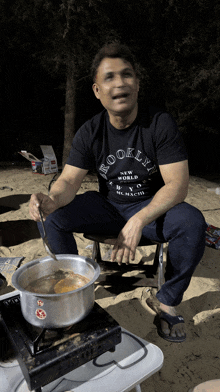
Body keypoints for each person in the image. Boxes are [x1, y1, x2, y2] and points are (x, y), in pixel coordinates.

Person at [29, 42, 207, 343]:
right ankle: (71, 294)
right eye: (109, 77)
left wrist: (138, 220)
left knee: (192, 223)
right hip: (108, 206)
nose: (120, 82)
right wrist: (51, 199)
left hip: (151, 208)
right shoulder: (90, 130)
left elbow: (177, 185)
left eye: (126, 75)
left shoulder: (159, 123)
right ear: (98, 91)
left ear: (137, 85)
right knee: (53, 216)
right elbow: (69, 182)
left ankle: (167, 302)